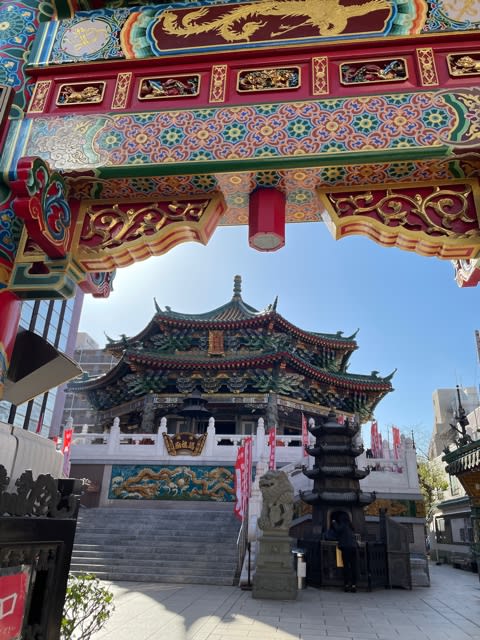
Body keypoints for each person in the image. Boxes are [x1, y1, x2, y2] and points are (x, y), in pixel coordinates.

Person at [331, 514, 358, 592]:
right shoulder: (351, 526)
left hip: (346, 547)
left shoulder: (343, 525)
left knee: (346, 566)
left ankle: (346, 585)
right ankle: (354, 585)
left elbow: (337, 530)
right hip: (353, 547)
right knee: (353, 566)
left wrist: (334, 522)